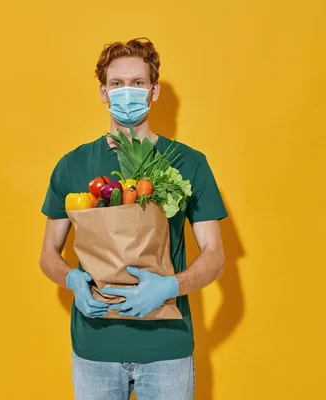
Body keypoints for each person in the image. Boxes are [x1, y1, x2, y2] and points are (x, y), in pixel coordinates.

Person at [39, 37, 228, 400]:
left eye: (138, 83)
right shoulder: (73, 165)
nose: (128, 92)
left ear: (154, 91)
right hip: (94, 350)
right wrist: (72, 280)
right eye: (117, 84)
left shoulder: (189, 163)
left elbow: (215, 255)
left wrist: (170, 287)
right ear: (103, 93)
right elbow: (48, 254)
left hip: (167, 351)